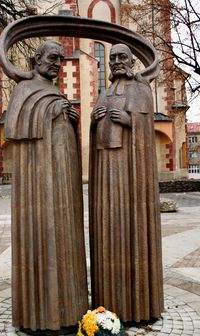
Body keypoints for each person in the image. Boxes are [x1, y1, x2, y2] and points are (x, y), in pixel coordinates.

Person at [5, 41, 88, 334]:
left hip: (64, 178)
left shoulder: (55, 90)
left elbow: (60, 127)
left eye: (61, 60)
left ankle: (71, 304)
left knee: (66, 234)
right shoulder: (24, 89)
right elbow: (13, 128)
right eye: (53, 58)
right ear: (37, 59)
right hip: (40, 181)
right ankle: (44, 311)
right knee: (46, 235)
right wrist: (51, 112)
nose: (57, 64)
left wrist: (72, 120)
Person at [89, 43, 164, 323]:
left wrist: (131, 122)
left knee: (130, 227)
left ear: (132, 61)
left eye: (122, 57)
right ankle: (107, 301)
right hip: (106, 173)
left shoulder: (141, 90)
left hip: (130, 176)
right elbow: (95, 132)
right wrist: (94, 123)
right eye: (112, 58)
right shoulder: (104, 92)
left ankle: (137, 304)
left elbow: (148, 132)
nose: (117, 61)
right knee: (108, 226)